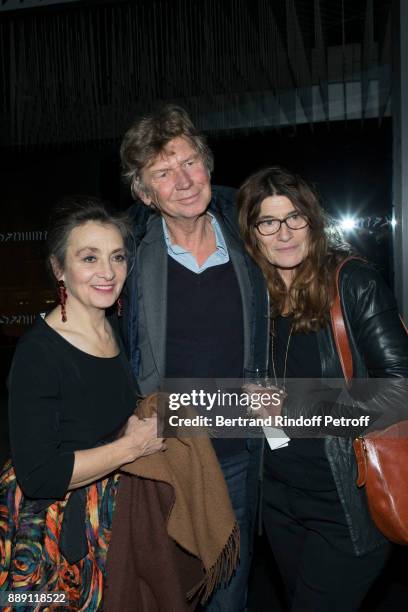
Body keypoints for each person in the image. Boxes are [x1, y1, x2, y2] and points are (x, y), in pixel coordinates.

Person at [237, 166, 408, 611]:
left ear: (312, 221)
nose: (285, 232)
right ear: (253, 234)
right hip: (279, 501)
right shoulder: (257, 299)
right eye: (268, 222)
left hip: (347, 502)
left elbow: (401, 390)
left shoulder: (353, 282)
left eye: (295, 217)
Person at [119, 104, 269, 612]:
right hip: (161, 454)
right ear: (144, 193)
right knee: (163, 595)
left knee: (228, 598)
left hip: (239, 455)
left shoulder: (252, 240)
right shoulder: (129, 253)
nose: (182, 181)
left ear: (208, 167)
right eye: (163, 172)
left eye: (190, 163)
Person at [0, 196, 164, 610]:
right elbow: (40, 475)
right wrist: (132, 447)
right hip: (50, 547)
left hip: (107, 526)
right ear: (59, 268)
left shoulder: (114, 329)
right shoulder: (39, 353)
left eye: (117, 257)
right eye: (89, 258)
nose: (108, 272)